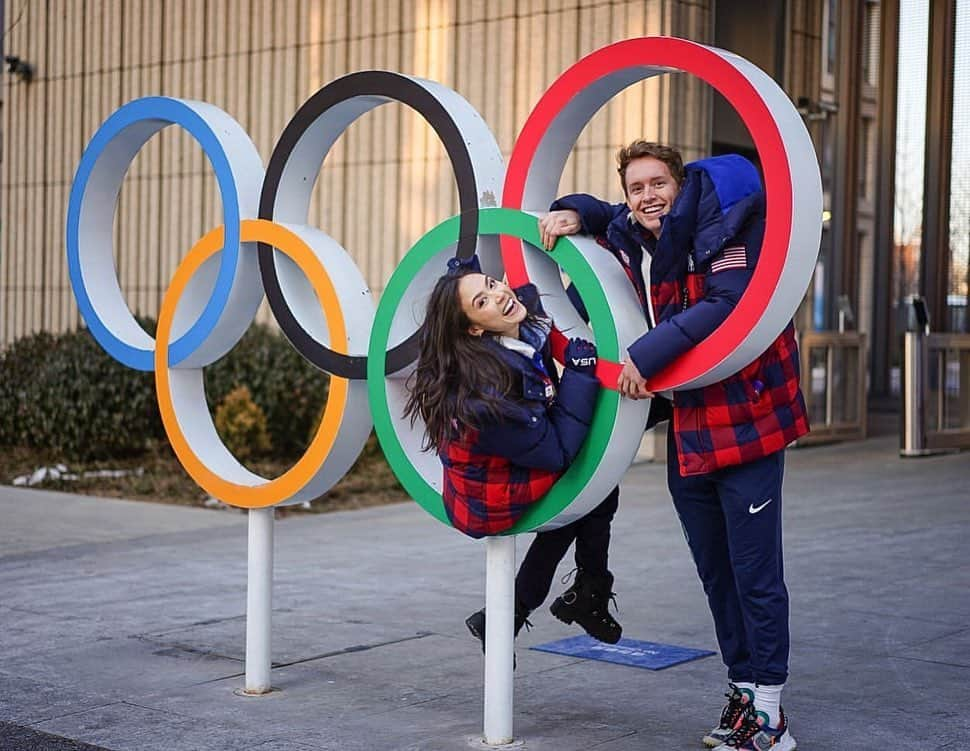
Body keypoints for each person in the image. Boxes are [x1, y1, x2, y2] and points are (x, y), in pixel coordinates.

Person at [539, 141, 808, 751]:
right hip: (692, 428)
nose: (648, 196)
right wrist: (574, 212)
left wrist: (643, 357)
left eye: (658, 182)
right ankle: (742, 691)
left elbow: (726, 302)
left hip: (747, 419)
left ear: (680, 183)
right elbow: (603, 214)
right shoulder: (635, 230)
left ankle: (771, 709)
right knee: (717, 574)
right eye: (637, 188)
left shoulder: (725, 222)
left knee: (755, 574)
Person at [403, 255, 623, 653]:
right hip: (488, 494)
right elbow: (556, 453)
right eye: (482, 301)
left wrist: (586, 223)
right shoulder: (488, 393)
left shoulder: (513, 323)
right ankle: (578, 593)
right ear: (473, 328)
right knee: (587, 489)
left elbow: (542, 296)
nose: (498, 294)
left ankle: (535, 607)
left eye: (491, 282)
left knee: (593, 493)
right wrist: (578, 371)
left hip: (506, 460)